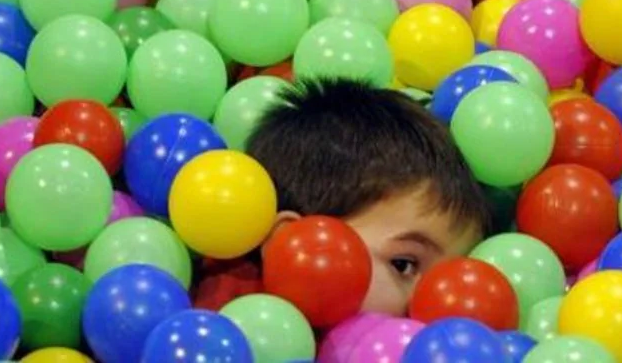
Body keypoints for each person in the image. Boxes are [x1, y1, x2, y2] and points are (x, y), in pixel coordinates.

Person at [193, 78, 493, 316]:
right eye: (403, 264)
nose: (437, 305)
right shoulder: (231, 324)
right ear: (291, 248)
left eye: (454, 279)